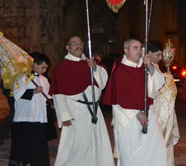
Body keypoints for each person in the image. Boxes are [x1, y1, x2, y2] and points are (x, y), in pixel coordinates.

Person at [49, 36, 114, 166]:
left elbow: (102, 83)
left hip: (94, 111)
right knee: (79, 146)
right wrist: (64, 115)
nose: (78, 46)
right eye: (74, 44)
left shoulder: (90, 62)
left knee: (97, 142)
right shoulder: (63, 67)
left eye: (80, 43)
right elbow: (59, 94)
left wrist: (94, 68)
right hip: (76, 111)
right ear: (68, 47)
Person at [103, 38, 167, 166]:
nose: (139, 51)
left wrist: (151, 68)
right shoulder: (120, 70)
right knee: (131, 154)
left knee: (156, 149)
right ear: (126, 51)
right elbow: (120, 98)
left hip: (148, 113)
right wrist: (137, 113)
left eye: (140, 48)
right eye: (135, 48)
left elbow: (159, 83)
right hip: (128, 118)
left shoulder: (145, 66)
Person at [9, 52, 51, 166]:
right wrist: (33, 91)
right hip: (24, 118)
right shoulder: (21, 77)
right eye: (42, 67)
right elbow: (17, 94)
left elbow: (49, 95)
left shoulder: (44, 80)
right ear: (34, 64)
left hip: (39, 118)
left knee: (39, 150)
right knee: (21, 148)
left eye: (46, 68)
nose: (44, 71)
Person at [148, 41, 179, 166]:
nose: (161, 58)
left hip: (162, 111)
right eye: (158, 55)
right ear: (149, 53)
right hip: (154, 111)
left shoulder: (156, 67)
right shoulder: (146, 67)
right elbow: (154, 90)